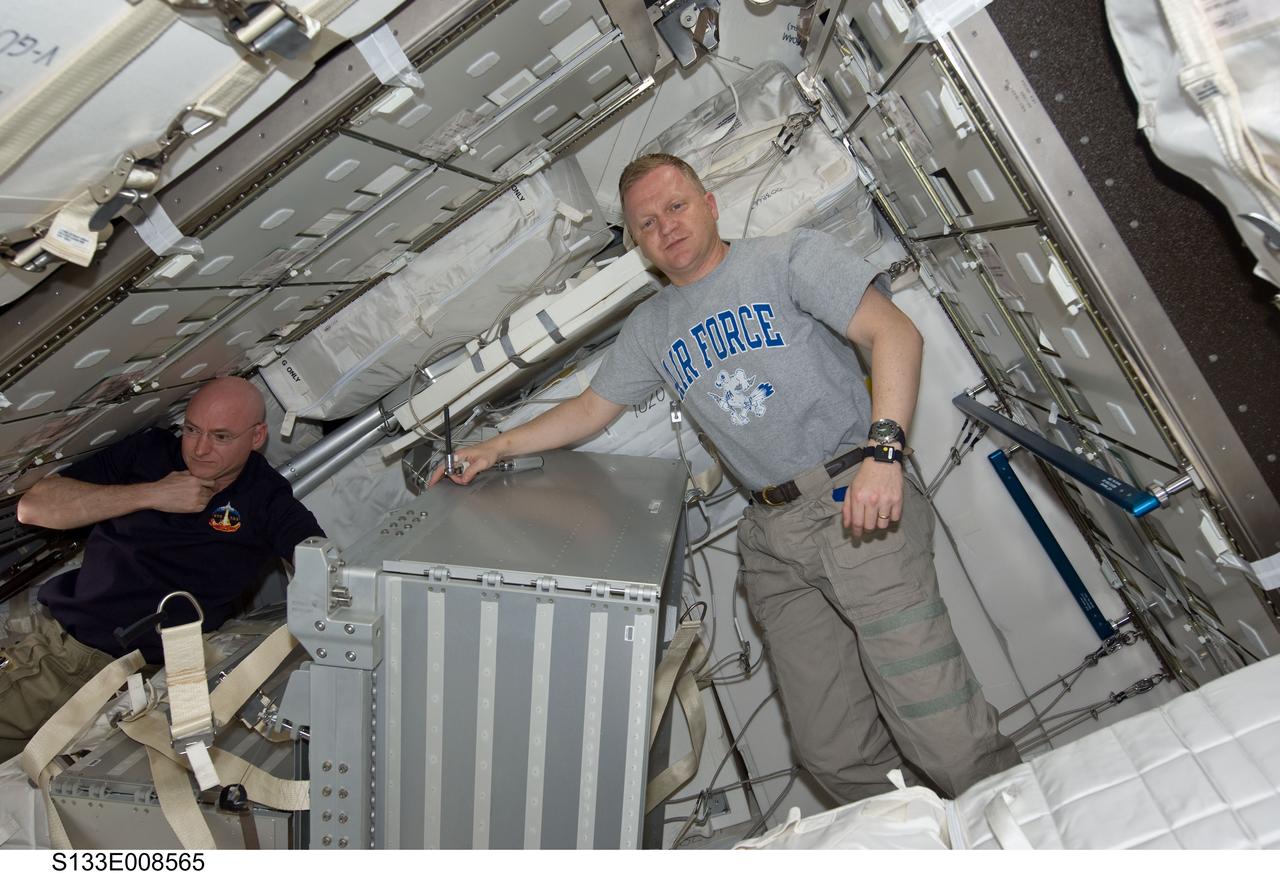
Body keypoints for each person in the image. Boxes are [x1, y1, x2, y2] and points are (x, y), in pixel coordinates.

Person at [431, 153, 1019, 802]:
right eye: (647, 223)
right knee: (834, 753)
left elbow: (896, 334)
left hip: (855, 497)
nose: (666, 227)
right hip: (773, 536)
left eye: (676, 206)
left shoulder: (787, 258)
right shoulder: (653, 327)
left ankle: (1018, 831)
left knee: (941, 728)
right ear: (639, 245)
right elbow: (591, 409)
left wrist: (885, 456)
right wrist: (495, 448)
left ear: (709, 205)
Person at [0, 376, 323, 762]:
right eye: (192, 430)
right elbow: (33, 508)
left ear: (256, 437)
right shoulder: (149, 454)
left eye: (221, 437)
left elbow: (319, 561)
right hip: (66, 656)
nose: (200, 449)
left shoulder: (265, 498)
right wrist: (153, 493)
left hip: (151, 688)